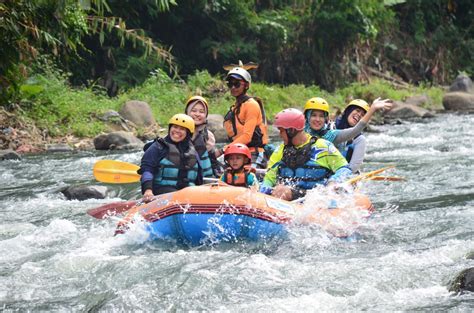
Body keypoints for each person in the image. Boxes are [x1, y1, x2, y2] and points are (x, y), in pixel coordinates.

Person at [260, 108, 352, 201]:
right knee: (278, 189)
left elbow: (345, 169)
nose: (280, 135)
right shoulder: (280, 150)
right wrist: (262, 191)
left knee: (282, 191)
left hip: (315, 197)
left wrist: (333, 181)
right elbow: (269, 178)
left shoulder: (323, 147)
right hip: (288, 199)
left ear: (291, 131)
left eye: (281, 131)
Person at [304, 97, 392, 172]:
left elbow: (355, 130)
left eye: (362, 114)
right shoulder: (331, 126)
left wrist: (372, 109)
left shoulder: (334, 134)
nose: (359, 115)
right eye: (357, 110)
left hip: (340, 170)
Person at [139, 114, 203, 202]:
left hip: (188, 196)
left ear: (188, 133)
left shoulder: (193, 152)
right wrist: (148, 191)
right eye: (175, 127)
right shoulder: (158, 147)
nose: (177, 131)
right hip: (162, 194)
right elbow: (147, 170)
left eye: (182, 129)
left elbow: (199, 179)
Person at [219, 64, 269, 169]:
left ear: (246, 85)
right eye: (230, 84)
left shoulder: (251, 105)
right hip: (236, 153)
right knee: (214, 165)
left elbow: (247, 137)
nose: (233, 87)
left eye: (237, 84)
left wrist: (223, 150)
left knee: (249, 174)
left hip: (254, 153)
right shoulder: (235, 107)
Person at [185, 95, 223, 177]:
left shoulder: (208, 136)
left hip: (205, 178)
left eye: (201, 112)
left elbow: (211, 157)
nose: (197, 114)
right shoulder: (178, 132)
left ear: (206, 115)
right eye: (194, 110)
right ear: (187, 112)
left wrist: (222, 151)